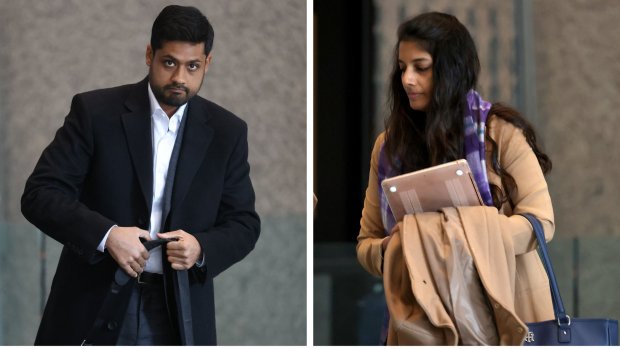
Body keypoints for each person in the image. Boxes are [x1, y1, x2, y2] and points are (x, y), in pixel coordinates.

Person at [21, 5, 260, 345]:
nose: (179, 77)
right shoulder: (95, 112)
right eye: (169, 62)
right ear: (149, 54)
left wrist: (201, 247)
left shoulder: (227, 132)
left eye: (192, 66)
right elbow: (40, 194)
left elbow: (244, 224)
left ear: (207, 63)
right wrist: (108, 235)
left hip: (179, 311)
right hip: (93, 300)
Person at [356, 12, 555, 345]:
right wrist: (400, 246)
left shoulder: (499, 133)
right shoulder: (388, 147)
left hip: (507, 309)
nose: (407, 79)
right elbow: (367, 245)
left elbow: (541, 222)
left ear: (450, 69)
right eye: (402, 67)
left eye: (421, 67)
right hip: (421, 319)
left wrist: (450, 236)